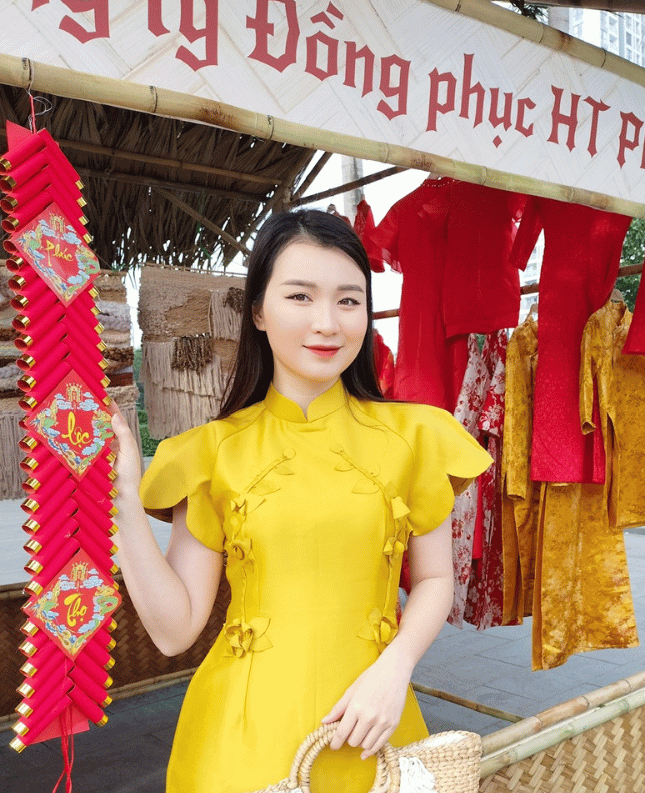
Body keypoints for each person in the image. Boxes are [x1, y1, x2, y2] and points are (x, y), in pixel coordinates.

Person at [109, 209, 492, 792]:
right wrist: (119, 497)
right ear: (258, 311)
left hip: (374, 726)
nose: (327, 323)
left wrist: (396, 668)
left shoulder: (417, 437)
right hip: (238, 743)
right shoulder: (210, 453)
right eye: (300, 296)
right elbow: (174, 630)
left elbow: (436, 578)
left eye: (348, 300)